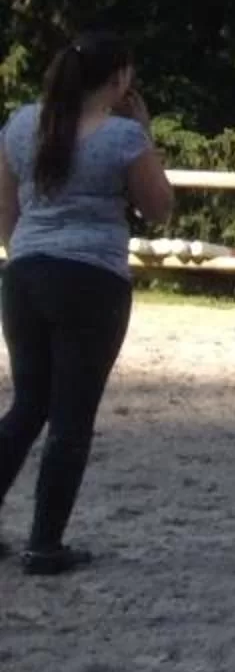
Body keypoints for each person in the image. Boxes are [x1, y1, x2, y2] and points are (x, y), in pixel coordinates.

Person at [0, 34, 174, 573]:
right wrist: (145, 134)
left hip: (25, 272)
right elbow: (159, 208)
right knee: (72, 417)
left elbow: (5, 207)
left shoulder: (23, 123)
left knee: (29, 405)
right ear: (120, 79)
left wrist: (25, 252)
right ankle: (44, 543)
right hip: (91, 278)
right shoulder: (122, 137)